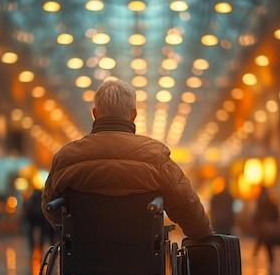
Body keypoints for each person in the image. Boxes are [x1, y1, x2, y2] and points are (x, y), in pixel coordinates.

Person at [42, 79, 213, 240]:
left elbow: (50, 206)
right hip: (144, 259)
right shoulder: (155, 155)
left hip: (84, 258)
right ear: (133, 115)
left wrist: (76, 232)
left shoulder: (66, 157)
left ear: (95, 114)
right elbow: (186, 206)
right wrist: (204, 235)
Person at [252, 188, 279, 263]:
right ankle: (269, 257)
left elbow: (257, 214)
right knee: (267, 240)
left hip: (263, 225)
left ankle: (256, 252)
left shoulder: (260, 202)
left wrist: (256, 223)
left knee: (261, 238)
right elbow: (276, 214)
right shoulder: (270, 202)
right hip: (269, 225)